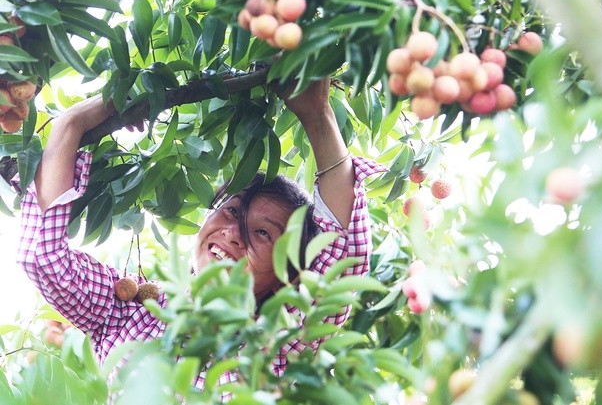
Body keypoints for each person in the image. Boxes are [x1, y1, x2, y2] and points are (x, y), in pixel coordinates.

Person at [15, 78, 386, 391]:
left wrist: (316, 115)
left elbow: (343, 250)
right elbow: (45, 258)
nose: (233, 234)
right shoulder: (129, 311)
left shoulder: (281, 341)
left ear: (288, 275)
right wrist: (74, 121)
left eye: (262, 233)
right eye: (231, 211)